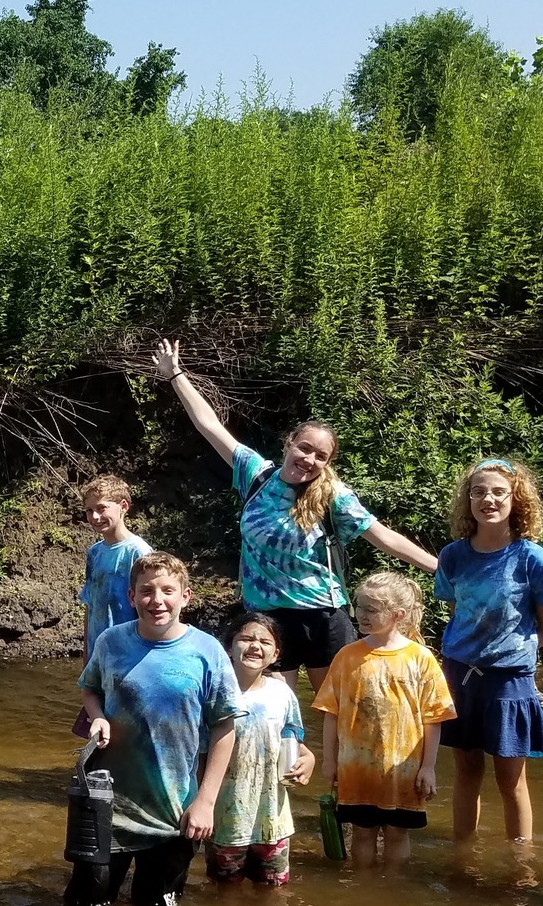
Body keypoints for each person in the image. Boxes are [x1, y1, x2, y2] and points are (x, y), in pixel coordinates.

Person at [149, 340, 438, 691]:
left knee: (339, 714)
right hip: (267, 618)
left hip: (322, 615)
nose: (309, 459)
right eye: (304, 448)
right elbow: (209, 426)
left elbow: (382, 536)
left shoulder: (333, 496)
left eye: (320, 456)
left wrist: (443, 568)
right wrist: (175, 375)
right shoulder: (256, 475)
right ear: (289, 444)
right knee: (270, 712)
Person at [76, 552, 244, 906]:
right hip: (107, 805)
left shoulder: (208, 652)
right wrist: (98, 717)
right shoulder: (110, 642)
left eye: (168, 590)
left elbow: (225, 727)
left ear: (186, 596)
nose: (157, 600)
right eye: (146, 591)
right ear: (131, 597)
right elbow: (90, 689)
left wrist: (206, 802)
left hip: (173, 810)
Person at [434, 459, 543, 860]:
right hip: (459, 676)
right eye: (478, 492)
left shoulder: (532, 558)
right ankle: (463, 857)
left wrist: (514, 654)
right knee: (466, 773)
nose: (487, 499)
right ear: (467, 500)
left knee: (512, 781)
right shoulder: (453, 555)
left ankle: (520, 866)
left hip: (510, 680)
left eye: (497, 492)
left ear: (515, 499)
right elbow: (458, 609)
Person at [313, 572, 457, 867]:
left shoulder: (420, 658)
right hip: (356, 767)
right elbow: (331, 713)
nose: (361, 615)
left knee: (397, 832)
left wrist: (428, 767)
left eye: (371, 609)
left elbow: (434, 718)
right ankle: (363, 888)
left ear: (398, 614)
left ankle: (393, 889)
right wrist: (330, 760)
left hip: (403, 768)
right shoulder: (347, 656)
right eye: (358, 606)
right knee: (362, 834)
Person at [209, 611, 312, 888]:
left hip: (272, 816)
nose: (255, 646)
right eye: (246, 639)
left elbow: (293, 739)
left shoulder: (282, 694)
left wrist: (308, 759)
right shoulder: (215, 692)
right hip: (225, 815)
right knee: (224, 890)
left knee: (274, 890)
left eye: (265, 642)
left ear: (276, 654)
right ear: (229, 647)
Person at [75, 474, 152, 736]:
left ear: (123, 507)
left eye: (101, 508)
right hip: (99, 651)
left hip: (129, 651)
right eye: (89, 511)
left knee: (127, 721)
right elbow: (90, 604)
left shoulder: (138, 552)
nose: (95, 517)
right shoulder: (94, 553)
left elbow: (150, 608)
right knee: (99, 717)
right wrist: (87, 655)